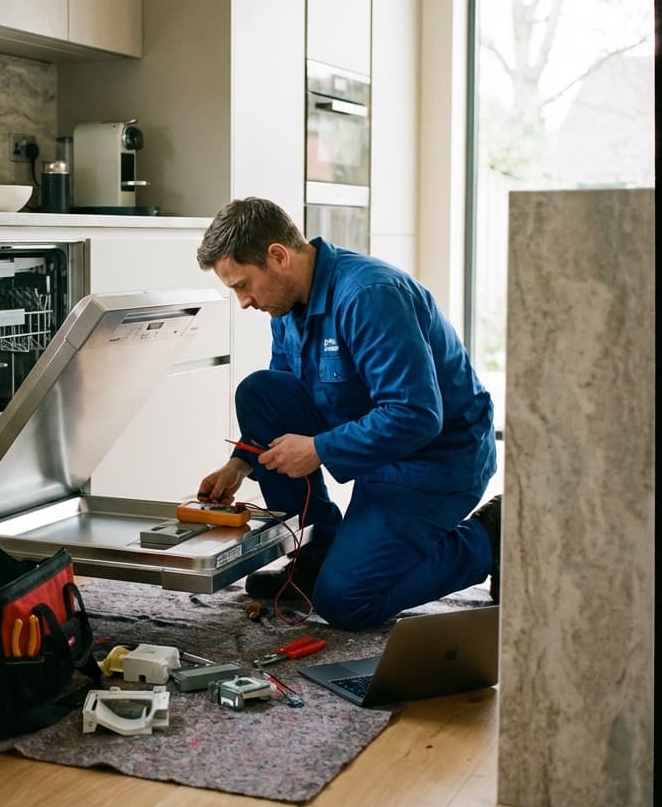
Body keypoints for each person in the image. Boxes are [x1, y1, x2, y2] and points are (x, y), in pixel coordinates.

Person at [196, 197, 502, 630]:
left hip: (436, 458)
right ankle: (315, 556)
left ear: (278, 256)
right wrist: (241, 462)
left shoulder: (370, 295)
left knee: (346, 601)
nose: (244, 301)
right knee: (259, 392)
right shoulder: (284, 305)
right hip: (374, 438)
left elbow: (416, 414)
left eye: (243, 285)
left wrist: (320, 449)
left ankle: (490, 537)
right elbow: (282, 395)